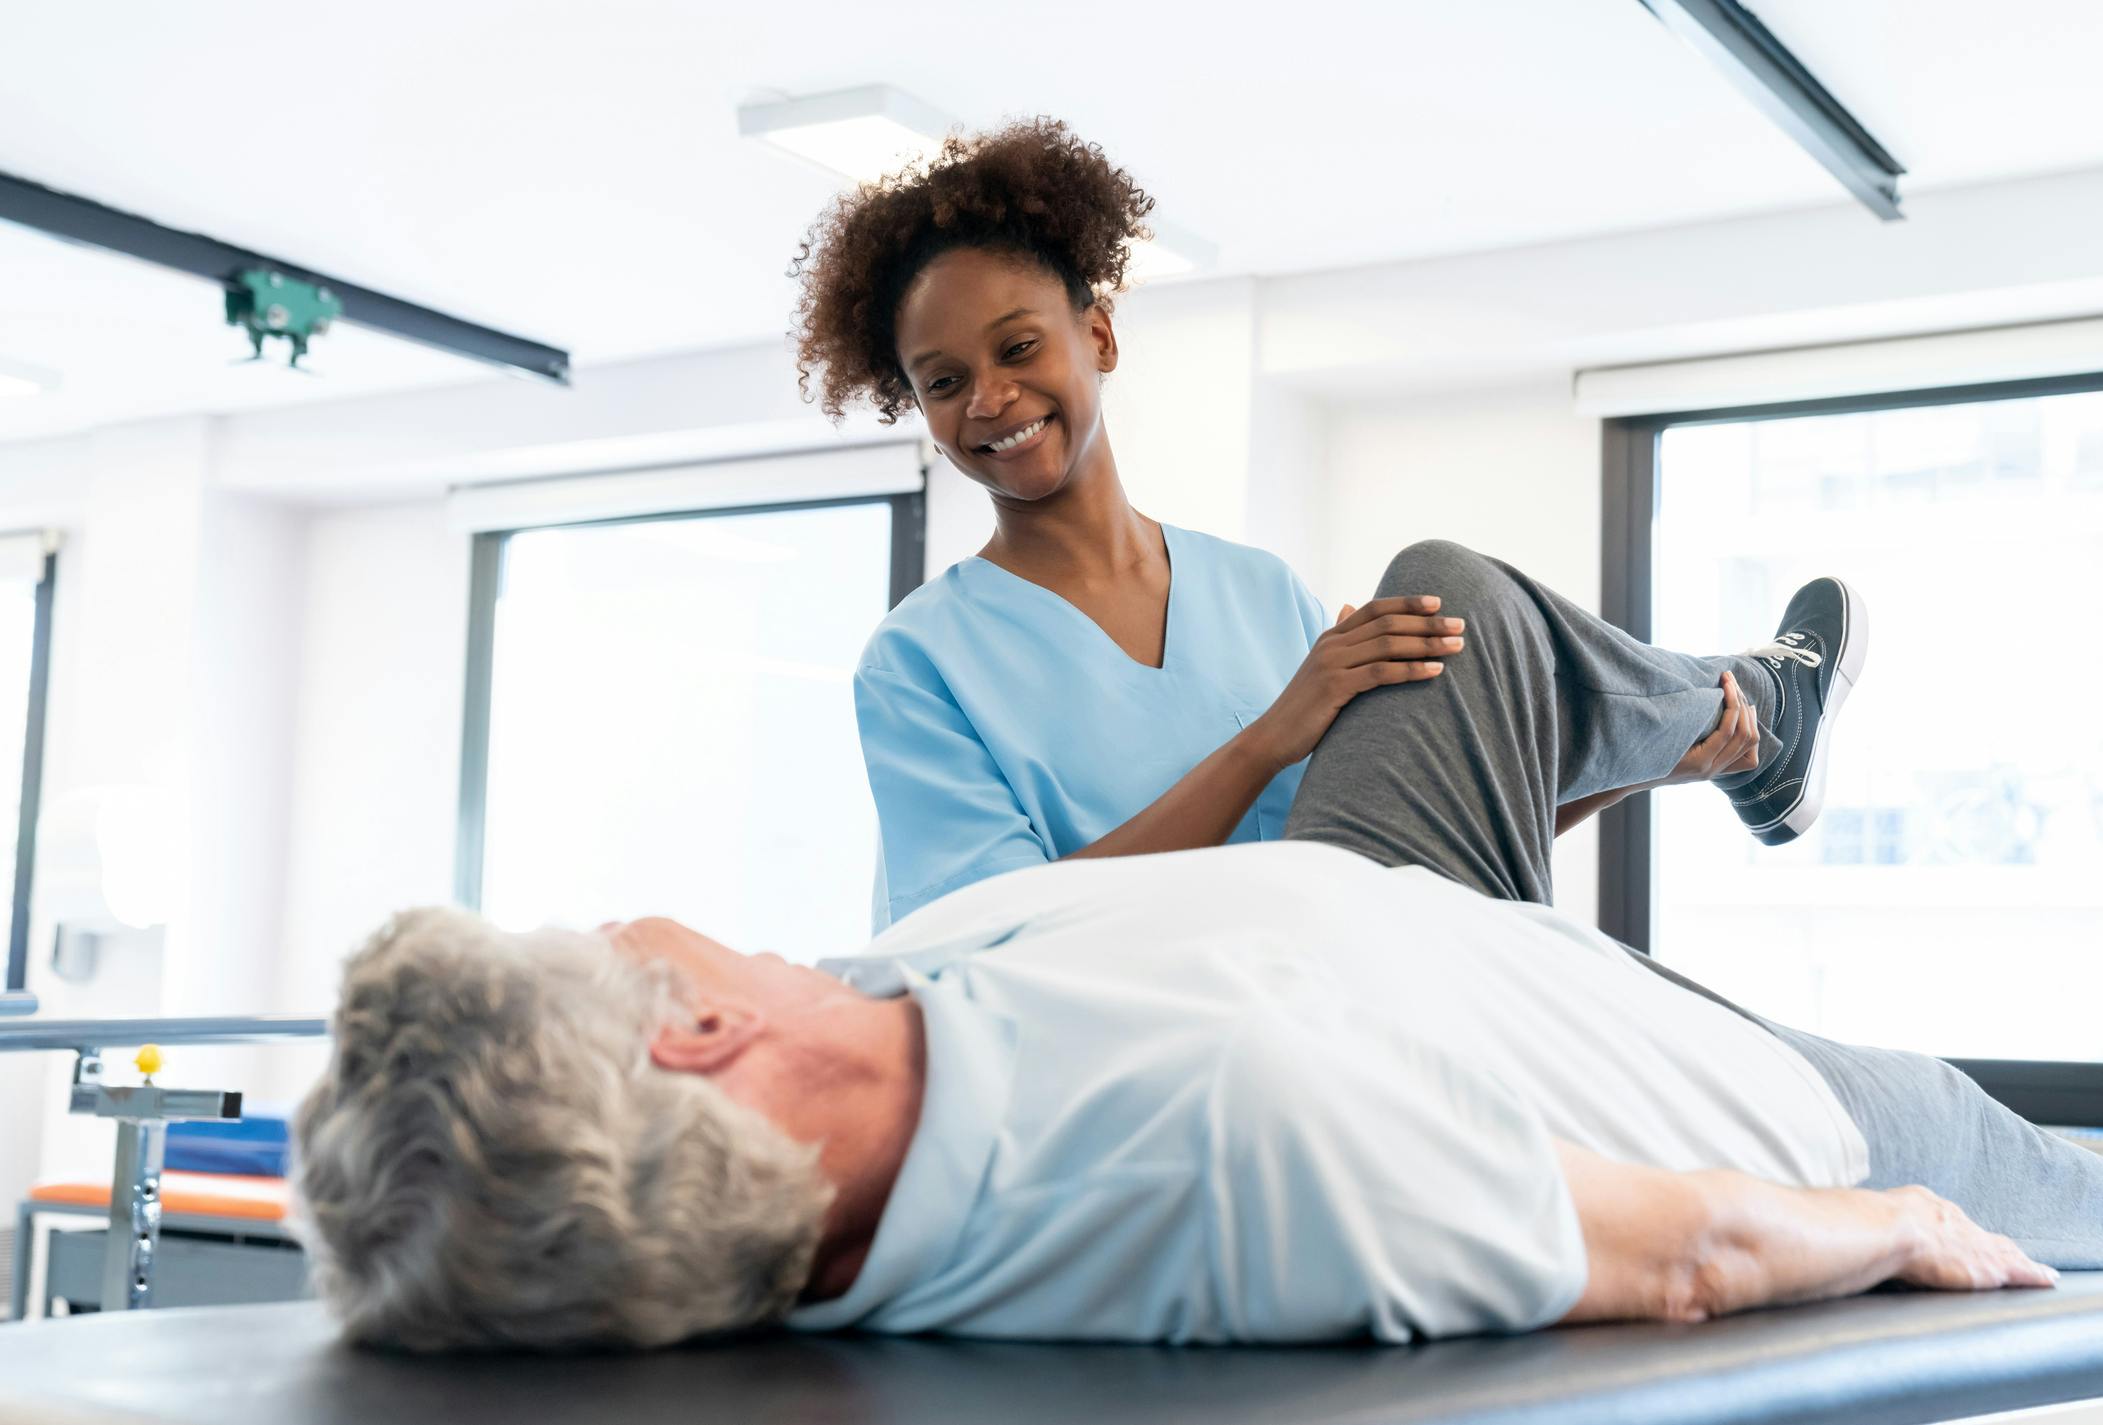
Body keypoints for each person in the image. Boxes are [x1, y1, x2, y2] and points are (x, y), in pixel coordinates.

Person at [288, 540, 2074, 1355]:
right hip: (1744, 1100)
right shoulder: (1224, 1139)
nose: (618, 916)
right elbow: (1695, 1255)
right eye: (584, 936)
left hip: (1407, 888)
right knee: (2038, 1168)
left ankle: (1759, 721)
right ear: (681, 1030)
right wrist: (1904, 1227)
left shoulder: (851, 1021)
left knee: (1437, 605)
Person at [790, 119, 1829, 930]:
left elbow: (1415, 846)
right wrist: (1270, 736)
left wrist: (1649, 772)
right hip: (1198, 1027)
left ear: (1098, 334)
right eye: (944, 380)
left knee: (1441, 601)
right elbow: (997, 932)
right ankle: (1761, 699)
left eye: (1019, 348)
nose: (990, 398)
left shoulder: (1256, 594)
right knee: (1441, 582)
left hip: (1359, 951)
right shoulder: (921, 663)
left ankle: (1726, 730)